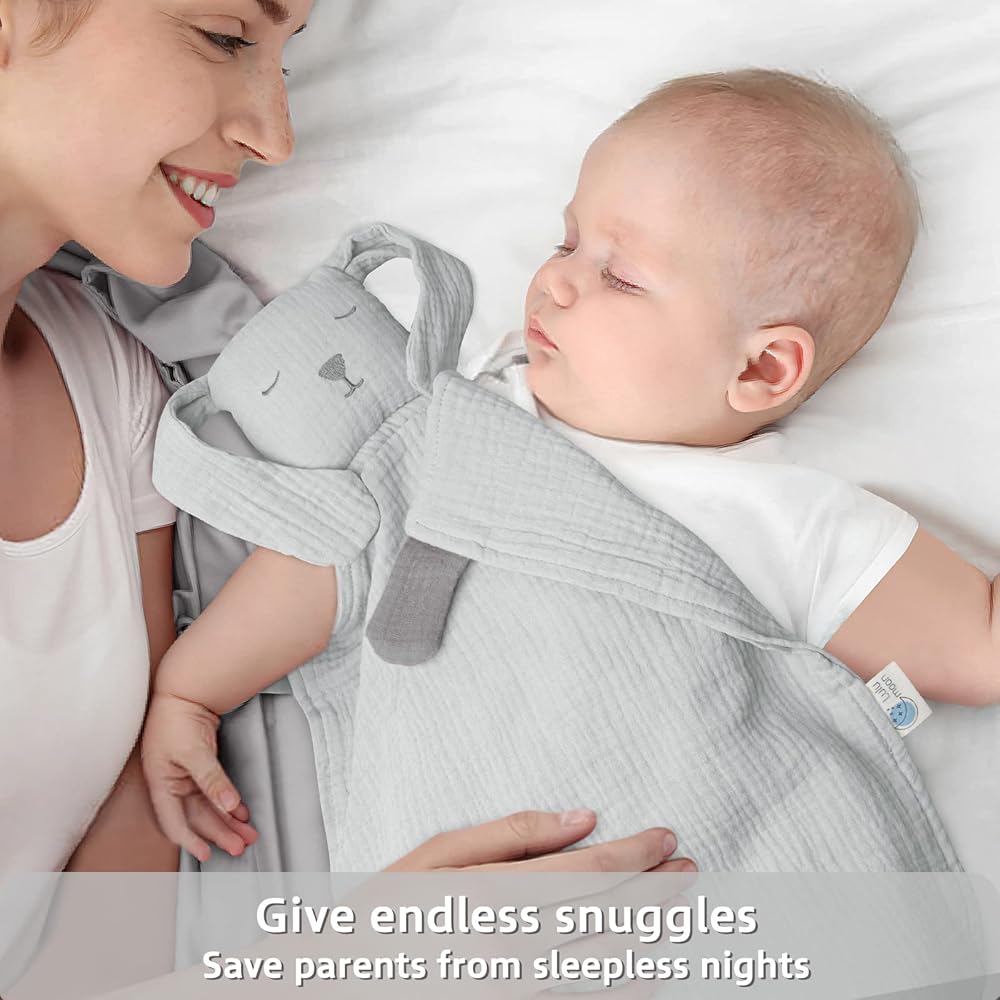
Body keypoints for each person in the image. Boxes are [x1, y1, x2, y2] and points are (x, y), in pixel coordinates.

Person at [141, 68, 997, 863]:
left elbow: (978, 643)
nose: (554, 281)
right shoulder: (474, 418)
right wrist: (190, 690)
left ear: (762, 368)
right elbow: (342, 557)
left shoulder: (787, 520)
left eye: (619, 276)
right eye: (568, 240)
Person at [0, 0, 691, 878]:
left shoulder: (116, 382)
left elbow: (118, 892)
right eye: (224, 37)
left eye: (284, 61)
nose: (275, 138)